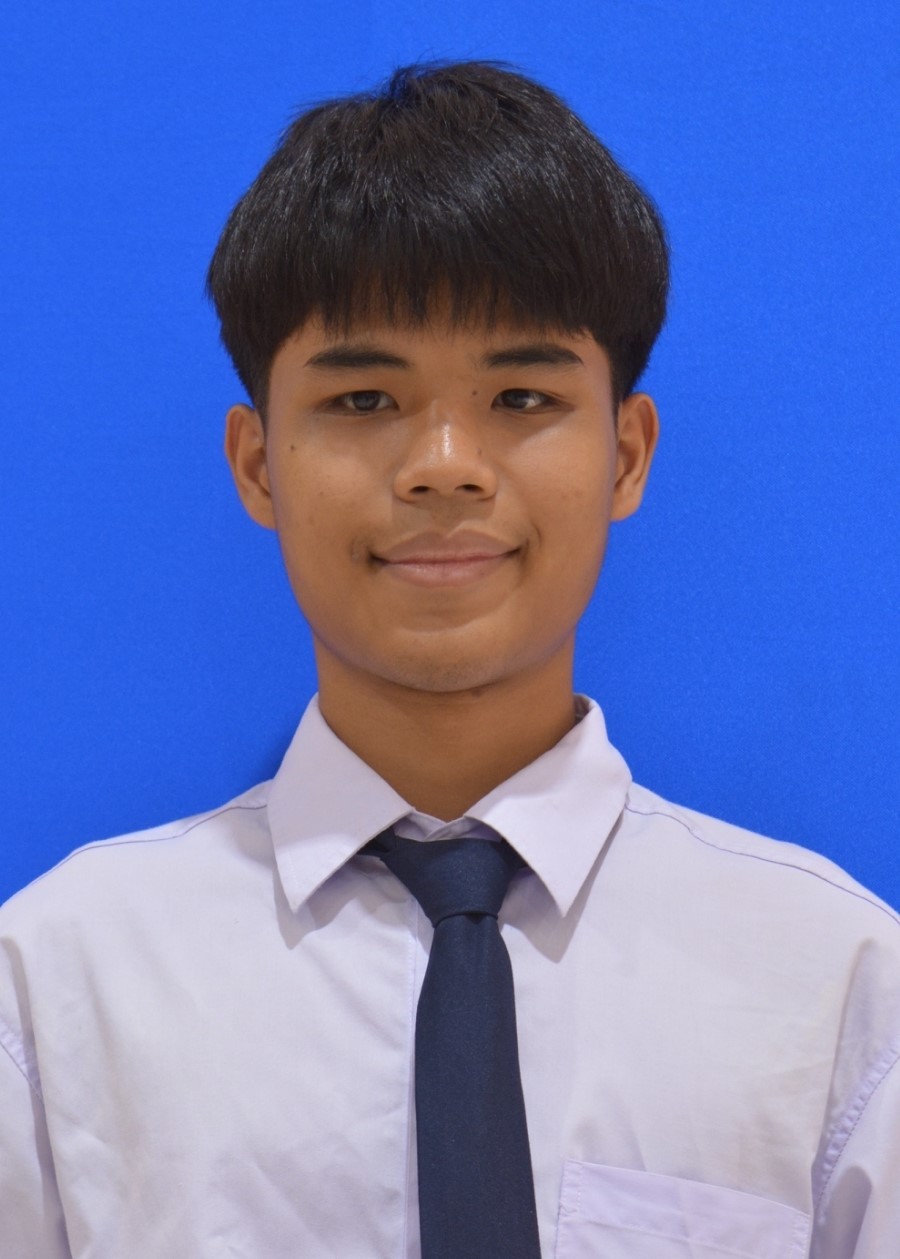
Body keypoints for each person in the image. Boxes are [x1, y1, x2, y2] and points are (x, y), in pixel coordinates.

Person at [1, 59, 898, 1259]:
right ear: (257, 464)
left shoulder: (837, 987)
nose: (443, 466)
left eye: (521, 396)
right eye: (364, 400)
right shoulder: (57, 991)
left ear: (628, 454)